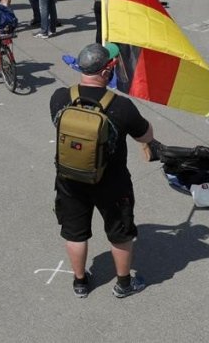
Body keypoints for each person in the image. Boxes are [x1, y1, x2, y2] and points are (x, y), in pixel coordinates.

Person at [51, 42, 155, 298]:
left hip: (70, 177)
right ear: (107, 70)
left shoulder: (59, 98)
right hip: (112, 182)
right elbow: (145, 136)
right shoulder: (121, 106)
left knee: (75, 232)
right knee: (120, 234)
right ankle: (123, 284)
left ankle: (80, 282)